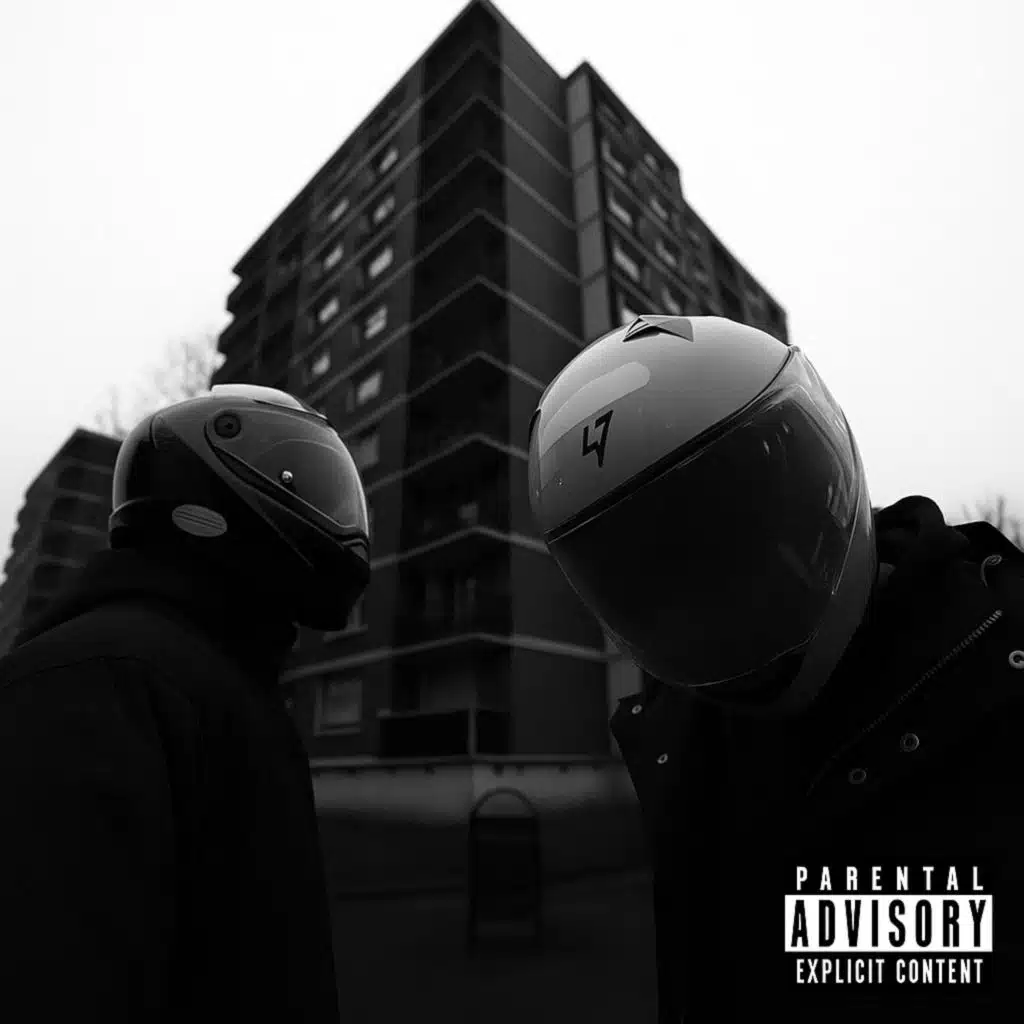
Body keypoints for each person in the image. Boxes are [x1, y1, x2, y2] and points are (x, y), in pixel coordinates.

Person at [526, 315, 1024, 1022]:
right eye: (645, 576)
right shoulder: (680, 740)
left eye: (725, 542)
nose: (703, 607)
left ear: (817, 487)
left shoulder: (998, 660)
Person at [0, 384, 370, 1022]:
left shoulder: (221, 679)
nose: (329, 511)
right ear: (205, 492)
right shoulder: (93, 683)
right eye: (298, 480)